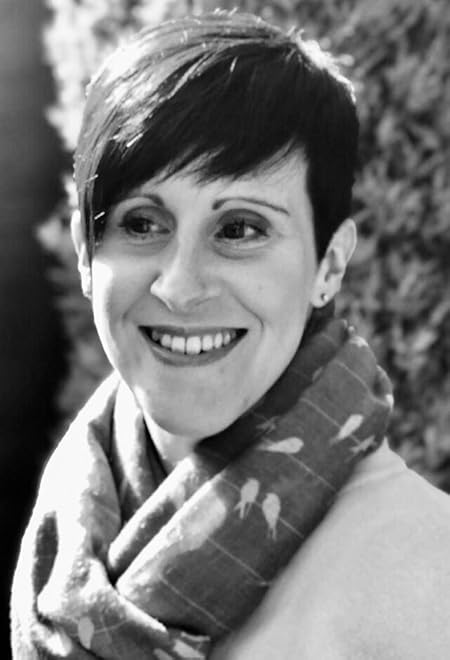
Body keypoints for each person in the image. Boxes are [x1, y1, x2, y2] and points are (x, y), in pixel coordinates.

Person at [10, 10, 450, 659]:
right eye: (141, 223)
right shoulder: (67, 526)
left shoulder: (427, 580)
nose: (180, 287)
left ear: (329, 265)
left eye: (240, 229)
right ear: (84, 252)